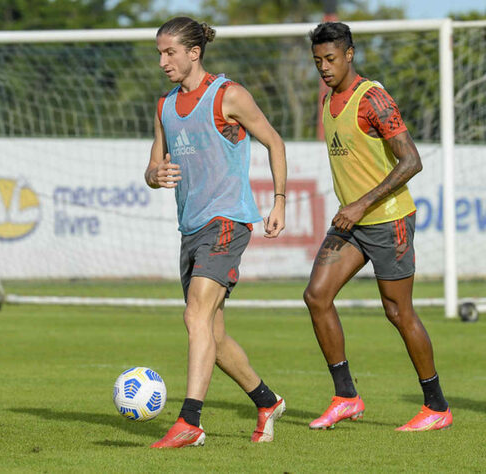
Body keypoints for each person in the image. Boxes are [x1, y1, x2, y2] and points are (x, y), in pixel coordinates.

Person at [145, 17, 288, 449]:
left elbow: (275, 142)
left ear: (194, 52)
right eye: (159, 54)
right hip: (190, 226)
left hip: (227, 220)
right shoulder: (164, 106)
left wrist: (279, 201)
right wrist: (156, 174)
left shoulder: (228, 95)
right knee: (213, 333)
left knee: (195, 316)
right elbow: (153, 167)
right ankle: (267, 401)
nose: (163, 61)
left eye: (170, 52)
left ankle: (190, 421)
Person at [304, 22, 451, 432]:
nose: (324, 68)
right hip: (351, 222)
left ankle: (436, 406)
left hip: (388, 220)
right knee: (317, 296)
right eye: (317, 61)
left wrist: (361, 204)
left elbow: (411, 161)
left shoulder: (373, 99)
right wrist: (352, 209)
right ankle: (346, 397)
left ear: (349, 54)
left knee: (398, 311)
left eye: (330, 59)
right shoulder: (327, 100)